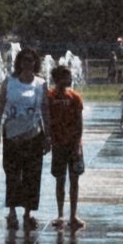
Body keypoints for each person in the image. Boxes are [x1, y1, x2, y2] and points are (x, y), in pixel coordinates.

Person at [0, 47, 50, 231]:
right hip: (12, 134)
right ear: (19, 62)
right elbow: (0, 106)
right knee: (12, 173)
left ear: (35, 63)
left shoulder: (41, 84)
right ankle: (12, 211)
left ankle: (28, 212)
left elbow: (45, 110)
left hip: (33, 135)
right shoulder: (9, 82)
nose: (28, 63)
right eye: (24, 60)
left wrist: (48, 135)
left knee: (32, 174)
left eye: (31, 60)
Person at [47, 64, 86, 230]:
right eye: (67, 76)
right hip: (58, 144)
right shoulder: (49, 96)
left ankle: (73, 214)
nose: (70, 79)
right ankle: (60, 214)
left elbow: (79, 122)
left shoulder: (75, 97)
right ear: (58, 79)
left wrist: (78, 144)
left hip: (73, 144)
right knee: (60, 180)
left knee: (74, 180)